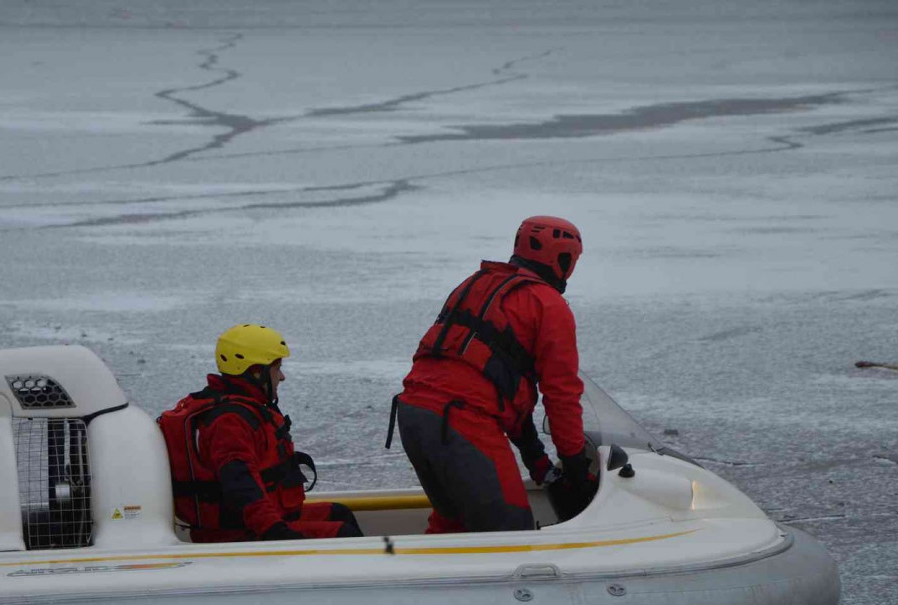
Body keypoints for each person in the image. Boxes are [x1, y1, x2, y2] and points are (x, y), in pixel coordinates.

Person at [391, 215, 596, 534]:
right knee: (510, 529)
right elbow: (562, 397)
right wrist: (577, 471)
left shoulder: (475, 283)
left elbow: (489, 382)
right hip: (460, 424)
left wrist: (539, 464)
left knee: (454, 522)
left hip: (414, 416)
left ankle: (420, 578)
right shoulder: (549, 306)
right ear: (564, 258)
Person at [159, 324, 362, 543]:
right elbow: (241, 487)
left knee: (340, 513)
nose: (282, 377)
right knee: (344, 535)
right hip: (239, 533)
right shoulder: (229, 422)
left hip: (263, 520)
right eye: (277, 368)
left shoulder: (244, 409)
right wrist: (276, 532)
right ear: (256, 372)